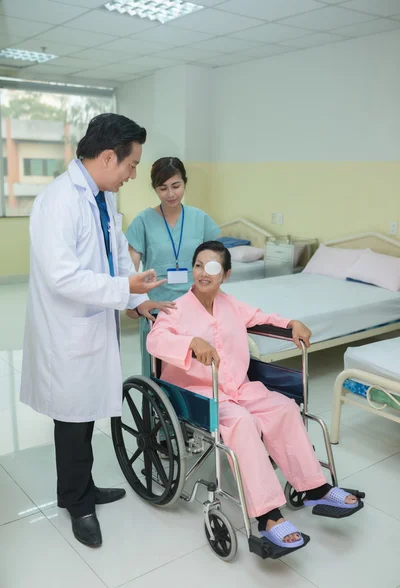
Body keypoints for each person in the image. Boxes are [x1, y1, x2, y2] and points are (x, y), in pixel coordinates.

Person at [147, 241, 363, 554]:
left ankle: (315, 487)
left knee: (285, 408)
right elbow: (156, 340)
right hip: (200, 392)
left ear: (226, 274)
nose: (203, 273)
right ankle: (267, 515)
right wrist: (192, 342)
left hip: (238, 385)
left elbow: (261, 316)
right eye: (198, 266)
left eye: (212, 268)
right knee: (243, 424)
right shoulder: (177, 309)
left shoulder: (230, 304)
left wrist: (291, 324)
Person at [20, 113, 175, 549]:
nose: (133, 175)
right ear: (108, 157)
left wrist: (136, 298)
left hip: (92, 324)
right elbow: (62, 277)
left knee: (85, 416)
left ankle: (83, 489)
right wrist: (123, 288)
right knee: (72, 421)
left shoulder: (101, 196)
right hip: (67, 333)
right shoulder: (59, 201)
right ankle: (76, 502)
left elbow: (116, 256)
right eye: (131, 165)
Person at [124, 157, 220, 375]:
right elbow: (130, 270)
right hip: (158, 309)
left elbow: (214, 262)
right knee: (159, 373)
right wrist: (133, 302)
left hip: (196, 307)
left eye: (176, 186)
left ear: (184, 183)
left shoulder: (199, 218)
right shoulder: (143, 221)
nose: (171, 194)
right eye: (163, 188)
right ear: (155, 189)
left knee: (195, 373)